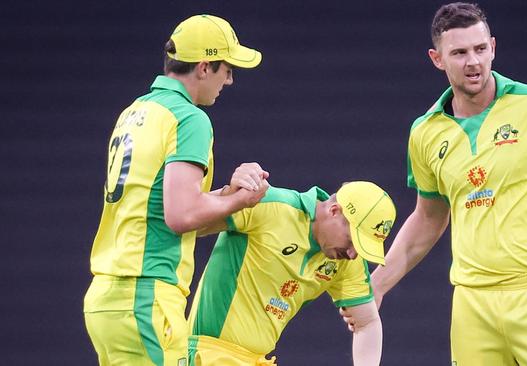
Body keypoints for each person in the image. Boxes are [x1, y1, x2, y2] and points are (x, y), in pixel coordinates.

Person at [341, 3, 527, 365]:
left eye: (479, 49)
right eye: (459, 53)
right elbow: (429, 218)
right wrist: (377, 286)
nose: (472, 61)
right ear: (437, 59)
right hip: (471, 304)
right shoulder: (425, 132)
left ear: (493, 46)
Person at [83, 14, 269, 366]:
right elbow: (181, 215)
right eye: (227, 69)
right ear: (203, 67)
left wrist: (229, 194)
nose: (229, 80)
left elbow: (159, 210)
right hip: (147, 296)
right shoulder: (189, 118)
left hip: (107, 299)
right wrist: (242, 200)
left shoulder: (137, 111)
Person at [187, 181, 397, 366]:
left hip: (258, 359)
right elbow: (186, 219)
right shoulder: (272, 205)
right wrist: (228, 192)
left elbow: (367, 322)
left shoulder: (345, 261)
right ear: (334, 210)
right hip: (206, 355)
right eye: (352, 241)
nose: (352, 254)